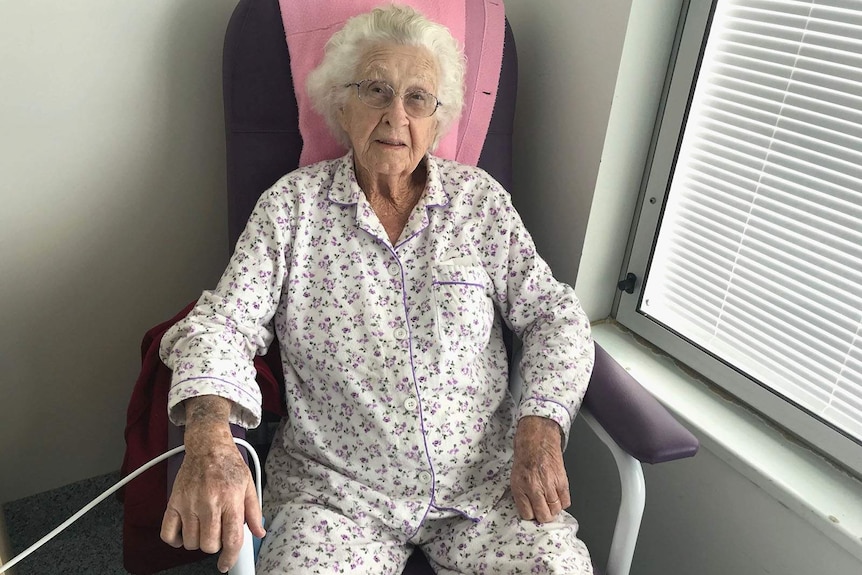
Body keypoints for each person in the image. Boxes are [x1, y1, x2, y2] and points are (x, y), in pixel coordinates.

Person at [158, 5, 594, 574]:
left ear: (438, 121)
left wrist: (541, 425)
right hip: (335, 497)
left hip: (485, 488)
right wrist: (210, 432)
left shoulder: (478, 204)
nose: (396, 115)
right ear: (340, 103)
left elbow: (552, 315)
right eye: (375, 90)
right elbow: (222, 325)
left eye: (418, 99)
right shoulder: (292, 209)